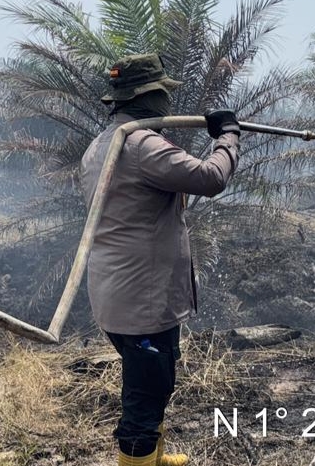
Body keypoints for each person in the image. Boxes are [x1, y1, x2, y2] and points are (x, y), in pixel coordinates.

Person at [80, 54, 241, 466]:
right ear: (149, 97)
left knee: (152, 383)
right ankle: (139, 458)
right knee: (145, 399)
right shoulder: (141, 145)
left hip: (117, 296)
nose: (168, 105)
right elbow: (211, 178)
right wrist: (228, 135)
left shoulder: (101, 146)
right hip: (142, 303)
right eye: (163, 95)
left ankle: (154, 456)